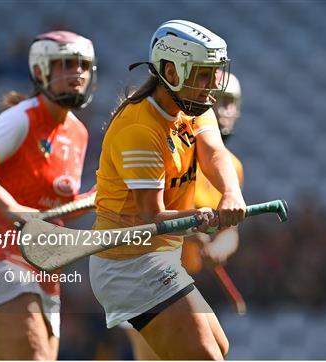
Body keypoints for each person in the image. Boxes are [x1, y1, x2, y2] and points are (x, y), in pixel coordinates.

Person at [90, 20, 245, 360]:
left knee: (219, 347)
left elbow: (214, 153)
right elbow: (153, 214)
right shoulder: (140, 128)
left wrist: (231, 194)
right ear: (172, 71)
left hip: (160, 258)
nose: (211, 86)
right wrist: (197, 217)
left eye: (214, 74)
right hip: (127, 264)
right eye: (203, 74)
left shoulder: (194, 107)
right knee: (206, 357)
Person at [0, 30, 96, 360]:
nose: (77, 74)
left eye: (83, 66)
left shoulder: (78, 131)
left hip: (44, 271)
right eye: (65, 65)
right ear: (39, 71)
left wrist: (94, 196)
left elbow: (53, 211)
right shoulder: (23, 117)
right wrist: (12, 208)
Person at [123, 73, 245, 360]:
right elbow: (147, 215)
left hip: (185, 281)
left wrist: (219, 247)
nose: (223, 109)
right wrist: (190, 229)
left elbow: (231, 229)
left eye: (231, 102)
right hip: (148, 269)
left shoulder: (232, 168)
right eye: (218, 100)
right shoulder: (171, 150)